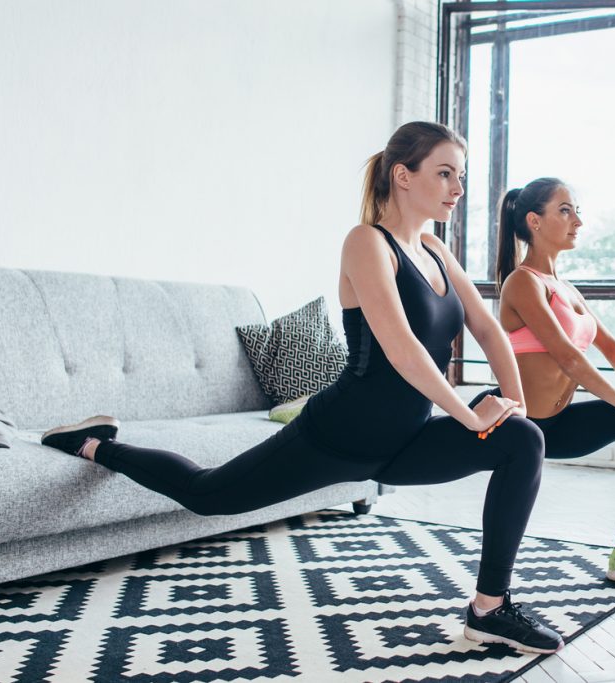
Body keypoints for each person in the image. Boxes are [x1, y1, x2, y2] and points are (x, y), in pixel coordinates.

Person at [39, 122, 563, 654]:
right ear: (403, 176)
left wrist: (514, 407)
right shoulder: (366, 243)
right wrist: (471, 416)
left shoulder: (433, 249)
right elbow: (402, 350)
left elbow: (489, 329)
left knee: (523, 441)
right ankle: (94, 443)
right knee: (207, 495)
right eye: (445, 173)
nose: (458, 187)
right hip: (339, 436)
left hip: (403, 441)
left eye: (462, 175)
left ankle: (489, 609)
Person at [488, 176, 615, 590]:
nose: (578, 221)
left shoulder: (568, 290)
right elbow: (567, 355)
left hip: (558, 426)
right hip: (518, 425)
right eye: (565, 211)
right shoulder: (522, 282)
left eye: (576, 210)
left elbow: (613, 348)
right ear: (534, 221)